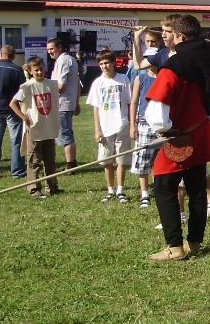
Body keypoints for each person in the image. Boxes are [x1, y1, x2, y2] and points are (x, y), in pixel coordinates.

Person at [144, 15, 210, 261]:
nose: (168, 36)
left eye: (171, 33)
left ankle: (174, 247)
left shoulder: (174, 66)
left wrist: (164, 130)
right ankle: (194, 243)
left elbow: (158, 105)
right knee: (196, 189)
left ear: (181, 37)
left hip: (178, 137)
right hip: (200, 134)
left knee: (164, 187)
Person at [9, 56, 60, 198]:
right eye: (36, 70)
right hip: (35, 128)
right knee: (34, 160)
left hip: (48, 126)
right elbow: (13, 103)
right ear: (31, 71)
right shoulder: (27, 86)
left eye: (41, 69)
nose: (39, 72)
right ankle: (34, 188)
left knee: (50, 159)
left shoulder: (50, 84)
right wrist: (24, 116)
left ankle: (52, 185)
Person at [86, 48, 132, 203]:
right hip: (105, 127)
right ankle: (110, 189)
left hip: (122, 124)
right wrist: (97, 129)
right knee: (107, 160)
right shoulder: (98, 83)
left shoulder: (123, 79)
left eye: (107, 63)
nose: (104, 66)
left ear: (114, 63)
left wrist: (132, 123)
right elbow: (96, 107)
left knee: (121, 160)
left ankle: (120, 190)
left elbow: (129, 102)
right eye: (101, 63)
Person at [128, 33, 160, 208]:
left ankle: (159, 187)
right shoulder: (140, 77)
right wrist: (132, 125)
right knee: (142, 159)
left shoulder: (164, 76)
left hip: (161, 124)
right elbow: (133, 101)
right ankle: (144, 193)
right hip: (144, 124)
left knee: (160, 159)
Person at [0, 45, 26, 178]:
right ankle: (17, 171)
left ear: (0, 54)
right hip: (13, 109)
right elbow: (23, 90)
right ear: (13, 56)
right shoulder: (16, 70)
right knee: (16, 141)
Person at [46, 36, 81, 172]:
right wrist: (77, 102)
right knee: (66, 133)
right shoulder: (66, 60)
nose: (49, 52)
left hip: (63, 104)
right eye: (48, 49)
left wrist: (46, 91)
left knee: (65, 135)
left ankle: (70, 165)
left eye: (52, 49)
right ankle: (71, 163)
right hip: (67, 103)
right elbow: (77, 84)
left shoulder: (64, 61)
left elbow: (61, 86)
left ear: (59, 47)